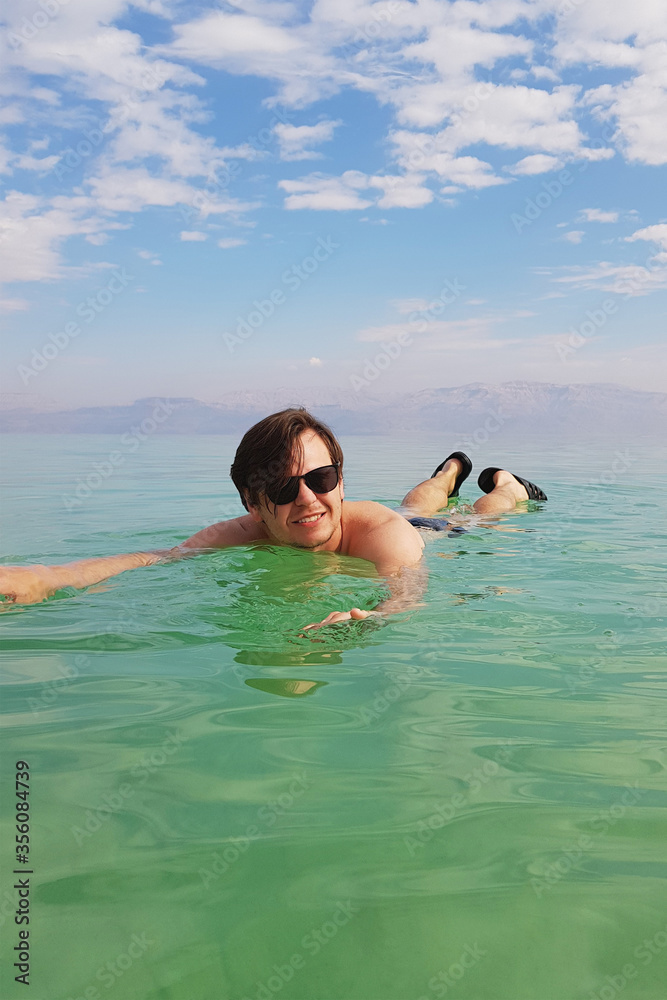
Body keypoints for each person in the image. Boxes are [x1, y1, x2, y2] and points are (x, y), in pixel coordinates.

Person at [0, 408, 547, 628]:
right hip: (400, 514)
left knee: (480, 516)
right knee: (419, 498)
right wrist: (49, 577)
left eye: (322, 479)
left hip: (423, 532)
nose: (307, 499)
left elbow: (407, 588)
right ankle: (449, 470)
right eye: (284, 488)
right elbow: (155, 559)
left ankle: (503, 482)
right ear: (253, 503)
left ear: (340, 478)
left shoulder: (384, 537)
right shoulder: (243, 533)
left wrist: (375, 619)